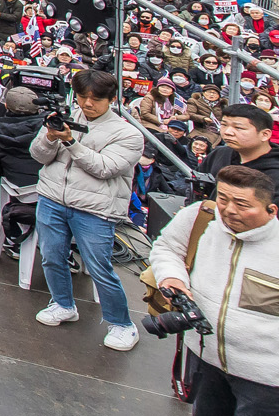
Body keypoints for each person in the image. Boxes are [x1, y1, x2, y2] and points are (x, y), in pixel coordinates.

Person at [31, 68, 145, 351]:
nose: (87, 104)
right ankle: (62, 304)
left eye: (95, 99)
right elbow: (38, 156)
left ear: (112, 98)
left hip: (94, 209)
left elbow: (104, 168)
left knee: (99, 268)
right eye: (82, 97)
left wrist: (70, 141)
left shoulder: (128, 134)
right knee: (52, 256)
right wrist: (50, 136)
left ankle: (122, 324)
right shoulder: (66, 118)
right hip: (52, 198)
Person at [150, 165, 279, 413]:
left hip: (267, 381)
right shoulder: (200, 218)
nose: (229, 210)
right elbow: (167, 247)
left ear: (271, 210)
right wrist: (172, 277)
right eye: (223, 198)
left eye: (242, 204)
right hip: (206, 360)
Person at [201, 104, 279, 185]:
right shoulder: (219, 154)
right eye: (224, 125)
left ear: (265, 134)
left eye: (238, 128)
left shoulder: (274, 172)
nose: (227, 132)